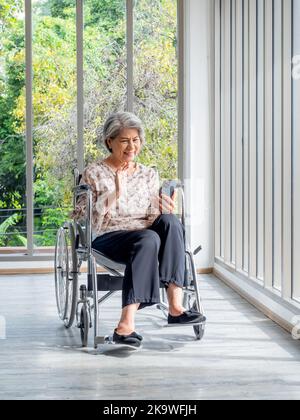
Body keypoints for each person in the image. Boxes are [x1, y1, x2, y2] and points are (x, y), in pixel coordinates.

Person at [72, 112, 204, 347]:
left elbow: (152, 217)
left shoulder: (148, 174)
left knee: (171, 222)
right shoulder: (94, 172)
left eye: (136, 140)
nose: (131, 146)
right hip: (107, 236)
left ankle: (175, 306)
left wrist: (163, 208)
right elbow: (83, 216)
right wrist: (115, 193)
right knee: (148, 238)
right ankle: (126, 324)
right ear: (109, 142)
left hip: (145, 234)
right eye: (124, 140)